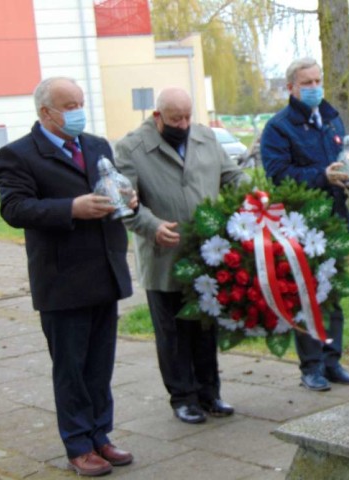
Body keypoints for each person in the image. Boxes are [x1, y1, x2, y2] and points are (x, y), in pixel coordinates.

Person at [0, 77, 135, 477]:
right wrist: (70, 208)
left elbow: (113, 186)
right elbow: (15, 209)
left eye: (80, 102)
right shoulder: (18, 154)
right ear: (45, 113)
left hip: (104, 272)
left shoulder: (96, 145)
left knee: (100, 365)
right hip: (62, 279)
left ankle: (100, 436)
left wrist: (127, 198)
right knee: (71, 368)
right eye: (68, 105)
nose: (78, 111)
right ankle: (78, 445)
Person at [115, 87, 249, 424]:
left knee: (205, 328)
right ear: (158, 116)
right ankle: (183, 397)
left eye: (188, 116)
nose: (184, 124)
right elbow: (123, 203)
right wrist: (151, 226)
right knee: (173, 333)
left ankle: (209, 392)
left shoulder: (205, 137)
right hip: (165, 257)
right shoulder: (131, 148)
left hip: (208, 254)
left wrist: (250, 191)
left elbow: (230, 175)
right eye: (176, 118)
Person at [260, 57, 349, 392]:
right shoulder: (278, 128)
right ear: (290, 87)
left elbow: (343, 164)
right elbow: (279, 176)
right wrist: (323, 176)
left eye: (318, 81)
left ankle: (333, 362)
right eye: (307, 83)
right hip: (301, 225)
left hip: (334, 221)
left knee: (332, 294)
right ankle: (312, 367)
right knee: (306, 296)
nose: (315, 88)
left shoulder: (332, 120)